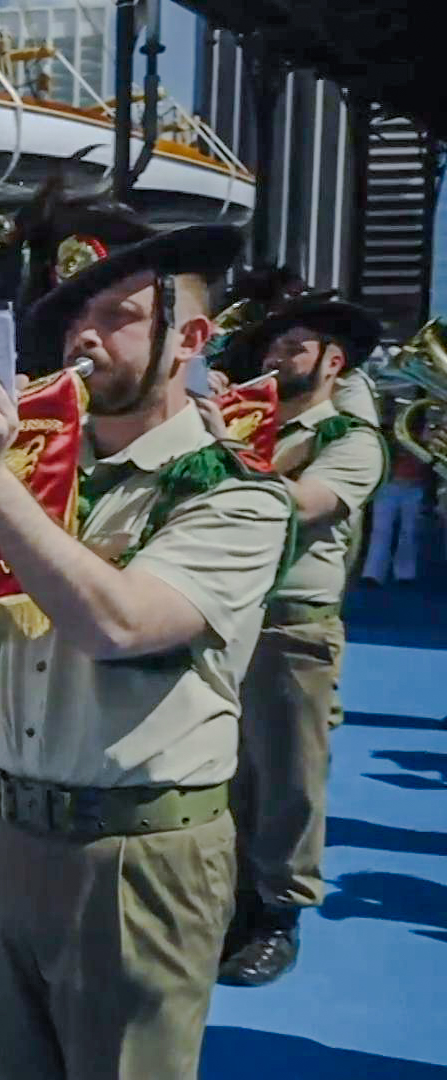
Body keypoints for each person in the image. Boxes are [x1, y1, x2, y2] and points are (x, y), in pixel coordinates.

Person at [0, 191, 290, 1078]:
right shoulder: (43, 473)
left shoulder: (237, 494)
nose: (86, 338)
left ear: (189, 341)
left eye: (119, 317)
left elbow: (119, 623)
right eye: (76, 318)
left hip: (135, 858)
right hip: (7, 837)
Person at [212, 292, 387, 986]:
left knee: (288, 776)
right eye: (273, 347)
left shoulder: (349, 438)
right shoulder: (253, 422)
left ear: (332, 361)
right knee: (225, 771)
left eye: (294, 347)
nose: (275, 357)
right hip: (230, 616)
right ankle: (233, 903)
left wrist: (220, 448)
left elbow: (299, 505)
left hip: (293, 625)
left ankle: (279, 915)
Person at [363, 422, 429, 585]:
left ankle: (405, 574)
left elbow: (428, 466)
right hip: (389, 486)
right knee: (381, 530)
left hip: (414, 487)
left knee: (409, 532)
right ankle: (373, 574)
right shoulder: (392, 438)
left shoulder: (425, 441)